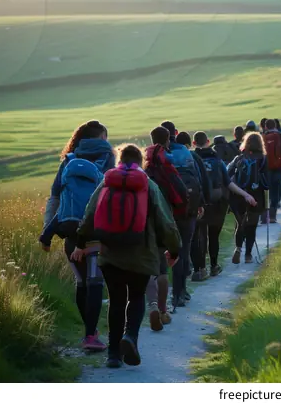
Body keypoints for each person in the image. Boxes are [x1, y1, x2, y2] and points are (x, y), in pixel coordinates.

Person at [71, 144, 181, 368]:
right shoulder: (148, 186)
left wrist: (81, 242)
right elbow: (165, 222)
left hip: (111, 254)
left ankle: (113, 354)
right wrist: (174, 249)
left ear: (120, 160)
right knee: (137, 297)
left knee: (117, 301)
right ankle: (130, 337)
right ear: (140, 162)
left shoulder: (107, 183)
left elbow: (90, 213)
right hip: (141, 254)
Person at [40, 120, 115, 352]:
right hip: (96, 230)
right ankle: (90, 336)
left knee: (81, 282)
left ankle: (89, 332)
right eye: (105, 136)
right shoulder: (107, 155)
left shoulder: (70, 159)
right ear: (101, 137)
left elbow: (54, 197)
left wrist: (48, 229)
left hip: (69, 228)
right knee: (95, 282)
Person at [192, 131, 257, 277]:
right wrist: (245, 194)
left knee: (201, 235)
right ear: (208, 142)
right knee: (213, 236)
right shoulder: (217, 161)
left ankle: (200, 269)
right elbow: (228, 183)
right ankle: (214, 266)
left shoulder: (192, 160)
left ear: (194, 143)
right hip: (217, 204)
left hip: (199, 203)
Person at [144, 126, 189, 331]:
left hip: (141, 224)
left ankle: (152, 305)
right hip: (163, 220)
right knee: (162, 269)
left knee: (148, 270)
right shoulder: (168, 163)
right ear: (169, 140)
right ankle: (162, 310)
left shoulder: (143, 165)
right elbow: (180, 191)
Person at [162, 122, 209, 309]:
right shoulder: (189, 154)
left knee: (165, 251)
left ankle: (161, 296)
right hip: (188, 209)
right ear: (176, 133)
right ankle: (179, 293)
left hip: (165, 210)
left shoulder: (157, 156)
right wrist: (201, 204)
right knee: (183, 249)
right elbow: (202, 179)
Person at [227, 133, 268, 264]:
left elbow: (227, 174)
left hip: (239, 194)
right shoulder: (263, 159)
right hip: (257, 195)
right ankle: (248, 255)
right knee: (252, 225)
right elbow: (267, 183)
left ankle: (238, 248)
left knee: (241, 224)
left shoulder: (239, 158)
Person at [262, 119, 281, 223]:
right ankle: (272, 216)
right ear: (275, 125)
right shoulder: (280, 136)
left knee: (264, 192)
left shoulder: (262, 136)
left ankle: (263, 217)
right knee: (275, 192)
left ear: (265, 126)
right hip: (277, 168)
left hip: (264, 169)